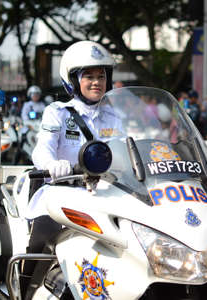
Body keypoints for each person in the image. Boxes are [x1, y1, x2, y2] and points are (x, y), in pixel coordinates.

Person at [22, 41, 121, 297]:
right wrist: (53, 165)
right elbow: (41, 149)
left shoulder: (114, 115)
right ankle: (24, 286)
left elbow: (127, 148)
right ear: (73, 80)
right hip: (62, 190)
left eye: (101, 76)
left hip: (105, 194)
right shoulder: (58, 112)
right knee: (40, 239)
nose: (96, 82)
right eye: (88, 76)